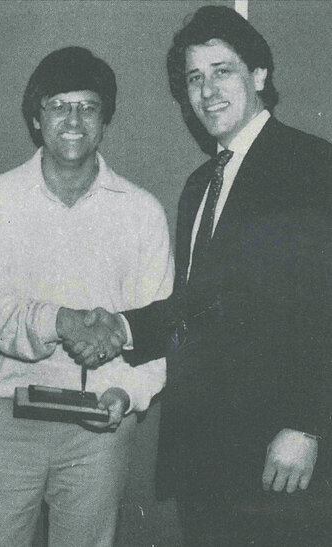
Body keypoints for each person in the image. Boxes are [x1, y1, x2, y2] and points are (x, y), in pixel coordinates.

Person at [78, 7, 332, 545]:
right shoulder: (200, 184)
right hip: (204, 452)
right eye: (194, 78)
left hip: (277, 452)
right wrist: (120, 328)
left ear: (259, 75)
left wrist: (306, 424)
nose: (207, 90)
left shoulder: (312, 165)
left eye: (223, 70)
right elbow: (199, 303)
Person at [0, 47, 173, 547]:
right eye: (59, 106)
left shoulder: (143, 213)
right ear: (37, 120)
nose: (73, 120)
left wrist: (127, 392)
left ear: (105, 121)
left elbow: (158, 323)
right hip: (7, 421)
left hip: (100, 428)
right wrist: (60, 320)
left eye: (88, 107)